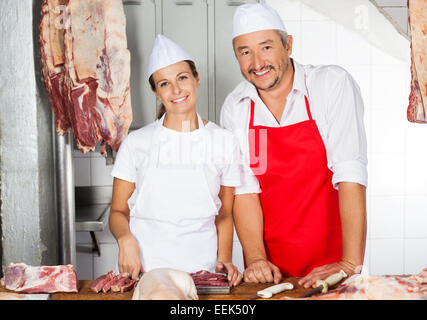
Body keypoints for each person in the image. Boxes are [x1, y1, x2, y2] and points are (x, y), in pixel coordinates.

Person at [220, 3, 368, 288]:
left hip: (334, 262)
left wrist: (349, 264)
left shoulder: (331, 85)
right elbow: (246, 191)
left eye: (266, 47)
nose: (256, 62)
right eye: (245, 51)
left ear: (288, 45)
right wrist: (256, 260)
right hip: (272, 269)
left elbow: (350, 175)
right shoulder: (236, 107)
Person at [109, 34, 242, 286]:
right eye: (164, 84)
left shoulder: (224, 141)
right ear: (155, 91)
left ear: (196, 79)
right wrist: (124, 238)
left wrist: (224, 261)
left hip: (203, 273)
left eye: (182, 78)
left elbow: (224, 213)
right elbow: (117, 211)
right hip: (146, 272)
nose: (176, 90)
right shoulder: (137, 143)